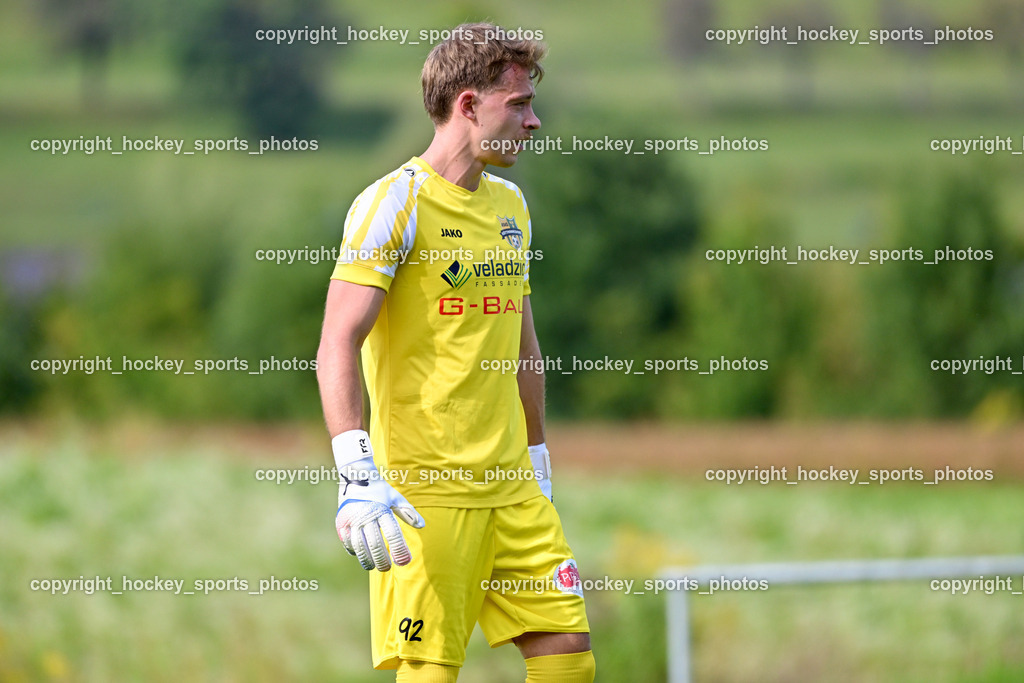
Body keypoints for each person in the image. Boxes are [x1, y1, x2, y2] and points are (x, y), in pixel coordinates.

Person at [315, 21, 595, 683]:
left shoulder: (512, 208)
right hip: (426, 494)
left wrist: (538, 457)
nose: (534, 122)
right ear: (468, 105)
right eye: (519, 104)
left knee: (568, 653)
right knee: (431, 670)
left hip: (513, 490)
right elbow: (336, 341)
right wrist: (355, 471)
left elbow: (523, 348)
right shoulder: (393, 204)